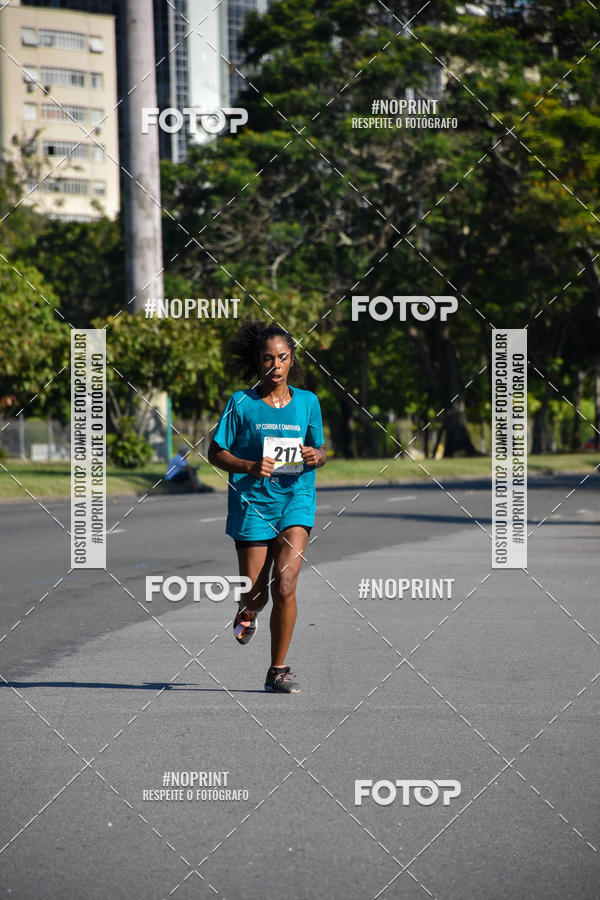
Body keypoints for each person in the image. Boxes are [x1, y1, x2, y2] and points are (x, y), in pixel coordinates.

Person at [208, 320, 326, 693]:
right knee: (256, 595)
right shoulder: (241, 403)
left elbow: (320, 450)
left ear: (292, 359)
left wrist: (316, 456)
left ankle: (278, 670)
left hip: (296, 500)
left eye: (283, 358)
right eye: (268, 359)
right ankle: (246, 609)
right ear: (257, 361)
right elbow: (215, 452)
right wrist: (248, 466)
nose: (275, 366)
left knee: (286, 584)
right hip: (253, 505)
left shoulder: (308, 402)